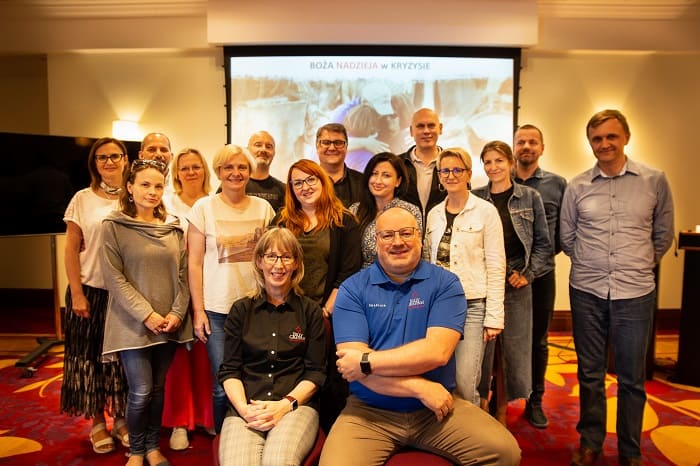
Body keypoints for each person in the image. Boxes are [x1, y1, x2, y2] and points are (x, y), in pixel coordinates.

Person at [320, 206, 520, 466]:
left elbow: (436, 353)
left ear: (420, 237)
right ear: (376, 241)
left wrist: (367, 362)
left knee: (505, 453)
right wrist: (419, 387)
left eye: (406, 233)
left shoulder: (446, 284)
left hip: (436, 410)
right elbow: (352, 370)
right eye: (388, 235)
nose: (398, 242)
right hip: (370, 411)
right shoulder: (352, 289)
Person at [561, 109, 674, 466]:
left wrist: (634, 264)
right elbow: (567, 236)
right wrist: (596, 264)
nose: (604, 144)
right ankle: (591, 442)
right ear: (590, 143)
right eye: (597, 138)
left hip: (635, 294)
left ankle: (630, 451)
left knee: (631, 378)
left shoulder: (654, 180)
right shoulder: (577, 185)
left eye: (611, 136)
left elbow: (662, 236)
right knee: (590, 373)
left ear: (626, 137)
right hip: (587, 292)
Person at [101, 158, 193, 466]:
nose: (152, 192)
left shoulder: (173, 228)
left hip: (169, 322)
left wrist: (177, 313)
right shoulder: (113, 226)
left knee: (157, 388)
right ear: (129, 187)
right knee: (140, 391)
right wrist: (147, 315)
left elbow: (184, 276)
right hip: (133, 324)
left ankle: (153, 447)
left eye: (158, 186)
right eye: (144, 185)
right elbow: (114, 278)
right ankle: (137, 451)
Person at [218, 228, 327, 466]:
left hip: (296, 406)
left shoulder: (310, 312)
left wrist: (284, 405)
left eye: (286, 257)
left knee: (278, 461)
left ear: (296, 263)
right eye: (271, 256)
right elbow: (230, 371)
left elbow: (316, 373)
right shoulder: (240, 310)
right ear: (259, 261)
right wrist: (245, 410)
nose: (279, 265)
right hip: (247, 406)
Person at [188, 144, 275, 434]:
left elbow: (273, 257)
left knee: (256, 379)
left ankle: (250, 434)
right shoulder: (203, 208)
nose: (236, 173)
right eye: (229, 168)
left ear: (250, 172)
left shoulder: (264, 208)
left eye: (241, 167)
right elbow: (195, 263)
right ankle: (220, 436)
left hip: (256, 308)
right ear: (218, 172)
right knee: (223, 383)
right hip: (217, 311)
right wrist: (198, 311)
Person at [273, 158, 361, 431]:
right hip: (290, 312)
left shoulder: (343, 220)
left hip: (328, 312)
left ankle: (331, 434)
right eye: (297, 182)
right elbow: (272, 263)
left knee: (330, 377)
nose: (305, 187)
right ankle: (296, 429)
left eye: (311, 179)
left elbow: (348, 270)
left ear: (322, 181)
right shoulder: (281, 220)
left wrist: (326, 310)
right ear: (291, 188)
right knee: (293, 373)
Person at [472, 140, 551, 424]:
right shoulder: (476, 198)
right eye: (488, 162)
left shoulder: (530, 197)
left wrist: (527, 275)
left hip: (517, 286)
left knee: (510, 354)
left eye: (499, 161)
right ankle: (481, 407)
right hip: (484, 284)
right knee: (483, 353)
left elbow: (544, 244)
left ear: (510, 163)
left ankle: (502, 410)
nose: (493, 167)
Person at [60, 137, 130, 455]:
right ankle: (97, 423)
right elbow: (72, 248)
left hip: (125, 296)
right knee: (88, 361)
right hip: (89, 291)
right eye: (102, 157)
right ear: (94, 164)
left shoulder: (135, 197)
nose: (109, 162)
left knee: (122, 362)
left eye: (115, 156)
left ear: (126, 160)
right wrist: (76, 293)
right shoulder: (82, 199)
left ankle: (122, 420)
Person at [424, 147, 506, 405]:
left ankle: (471, 436)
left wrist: (494, 317)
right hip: (438, 306)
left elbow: (495, 264)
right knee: (438, 374)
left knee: (465, 379)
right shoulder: (434, 214)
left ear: (469, 173)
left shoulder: (486, 211)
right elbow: (428, 261)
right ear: (439, 175)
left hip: (472, 305)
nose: (451, 175)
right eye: (445, 170)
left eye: (457, 169)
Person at [512, 124, 568, 429]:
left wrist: (532, 269)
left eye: (533, 142)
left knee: (538, 340)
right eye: (521, 142)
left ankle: (535, 400)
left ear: (542, 148)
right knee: (506, 338)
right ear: (514, 147)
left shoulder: (558, 185)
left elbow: (562, 233)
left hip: (542, 276)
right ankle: (503, 396)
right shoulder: (499, 181)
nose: (527, 147)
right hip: (506, 277)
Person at [161, 148, 215, 450]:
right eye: (185, 167)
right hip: (176, 289)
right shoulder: (167, 203)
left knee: (207, 356)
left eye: (197, 166)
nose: (191, 172)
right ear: (176, 172)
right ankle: (180, 421)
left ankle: (207, 415)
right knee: (179, 358)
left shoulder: (214, 200)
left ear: (205, 170)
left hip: (211, 287)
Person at [349, 152, 422, 268]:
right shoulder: (354, 210)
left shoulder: (409, 211)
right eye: (374, 174)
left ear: (398, 181)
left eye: (386, 175)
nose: (378, 181)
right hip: (360, 280)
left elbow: (415, 252)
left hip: (398, 278)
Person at [398, 108, 447, 221]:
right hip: (406, 233)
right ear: (411, 131)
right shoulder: (397, 164)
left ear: (440, 128)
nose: (426, 131)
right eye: (420, 126)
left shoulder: (453, 165)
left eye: (431, 126)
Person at [315, 123, 363, 207]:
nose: (332, 148)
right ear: (317, 146)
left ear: (346, 146)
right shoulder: (304, 184)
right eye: (326, 143)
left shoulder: (364, 183)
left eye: (338, 143)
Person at [245, 131, 286, 212]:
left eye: (268, 146)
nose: (263, 149)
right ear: (247, 150)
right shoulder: (235, 185)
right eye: (258, 145)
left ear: (274, 153)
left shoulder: (284, 190)